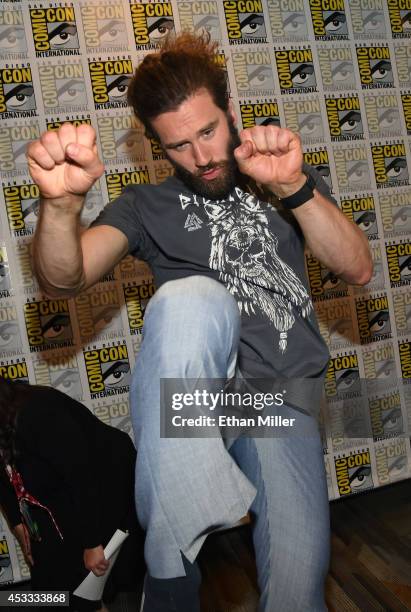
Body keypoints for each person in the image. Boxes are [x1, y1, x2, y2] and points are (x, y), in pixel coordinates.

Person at [27, 33, 372, 611]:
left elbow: (358, 268)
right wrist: (61, 208)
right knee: (190, 298)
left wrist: (293, 186)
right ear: (157, 146)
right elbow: (65, 279)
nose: (202, 156)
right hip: (196, 404)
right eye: (179, 146)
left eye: (208, 131)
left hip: (277, 404)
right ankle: (168, 568)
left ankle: (166, 563)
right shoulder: (143, 206)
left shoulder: (280, 172)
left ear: (232, 112)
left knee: (296, 592)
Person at [0, 377, 145, 611]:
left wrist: (92, 543)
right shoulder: (5, 420)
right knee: (47, 587)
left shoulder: (40, 412)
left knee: (84, 585)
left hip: (106, 484)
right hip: (57, 493)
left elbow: (81, 476)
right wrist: (17, 522)